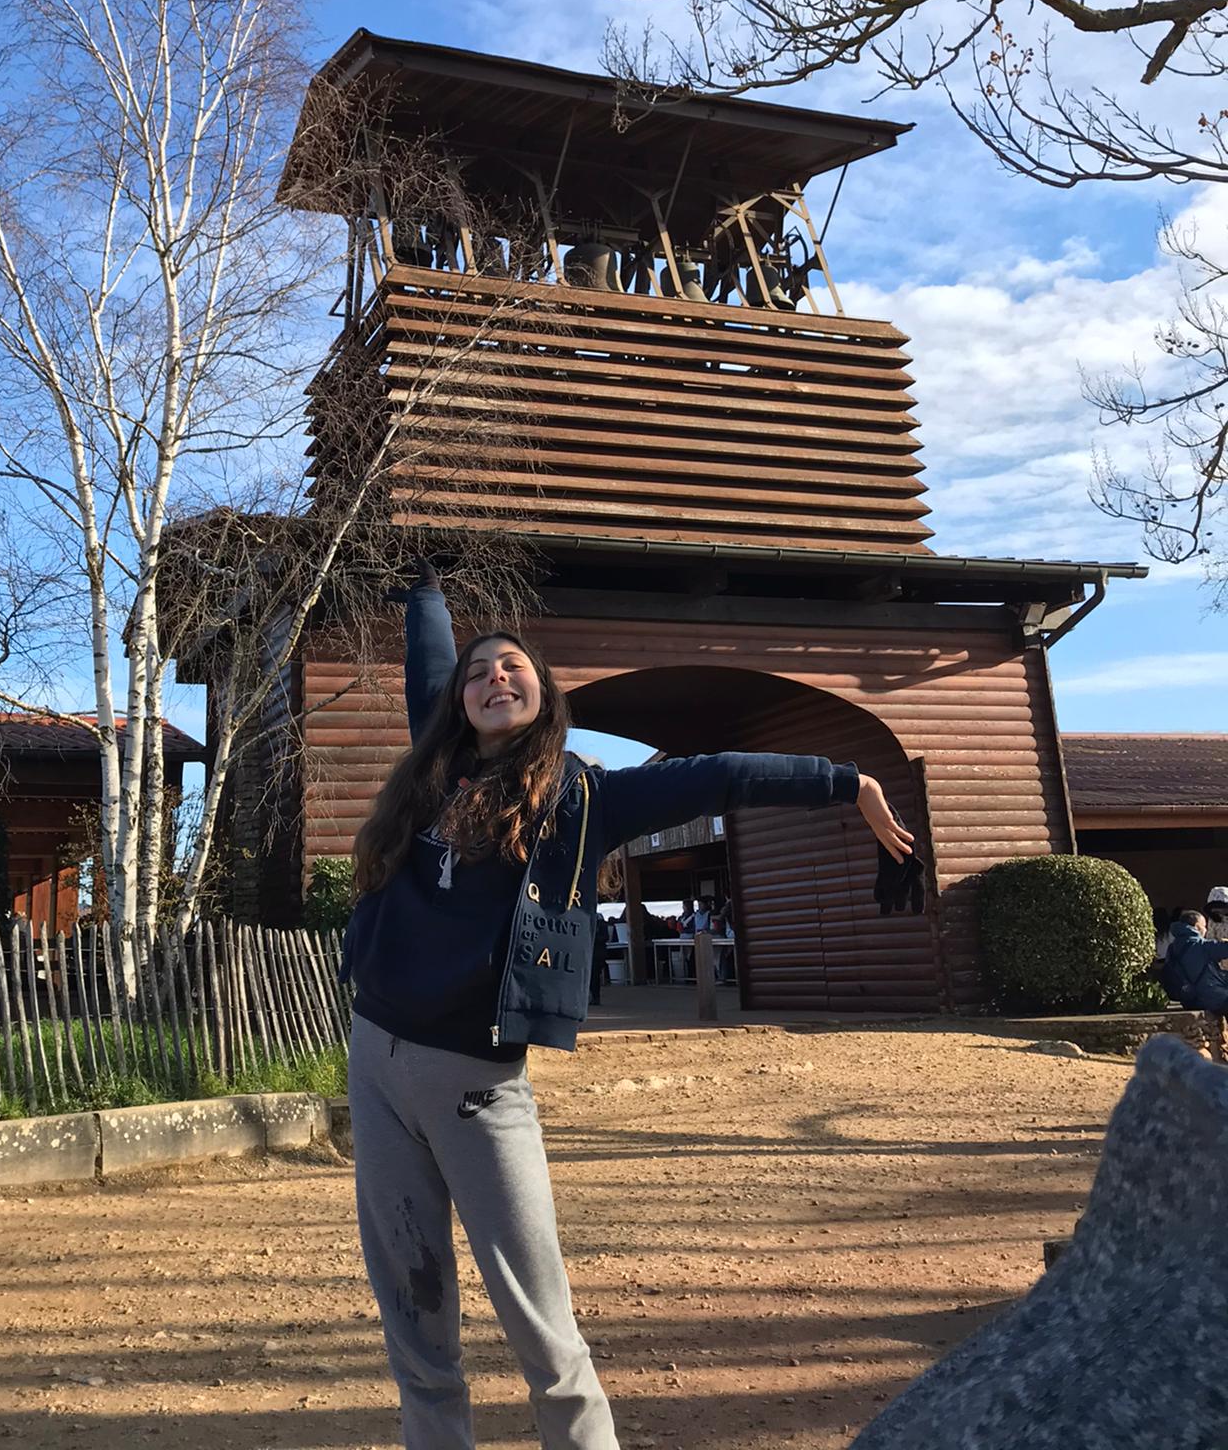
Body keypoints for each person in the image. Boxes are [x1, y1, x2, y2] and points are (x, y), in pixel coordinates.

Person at [342, 562, 915, 1449]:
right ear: (460, 701)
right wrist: (425, 593)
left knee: (541, 1327)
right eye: (479, 672)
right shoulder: (432, 770)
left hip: (476, 1083)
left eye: (513, 667)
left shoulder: (587, 799)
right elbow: (430, 664)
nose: (494, 677)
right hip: (375, 1057)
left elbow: (721, 775)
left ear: (544, 695)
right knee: (413, 1316)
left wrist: (847, 782)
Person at [1160, 910, 1228, 1063]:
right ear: (1197, 927)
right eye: (1204, 926)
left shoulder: (1173, 948)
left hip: (1189, 999)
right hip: (1212, 998)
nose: (1206, 930)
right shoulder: (1201, 945)